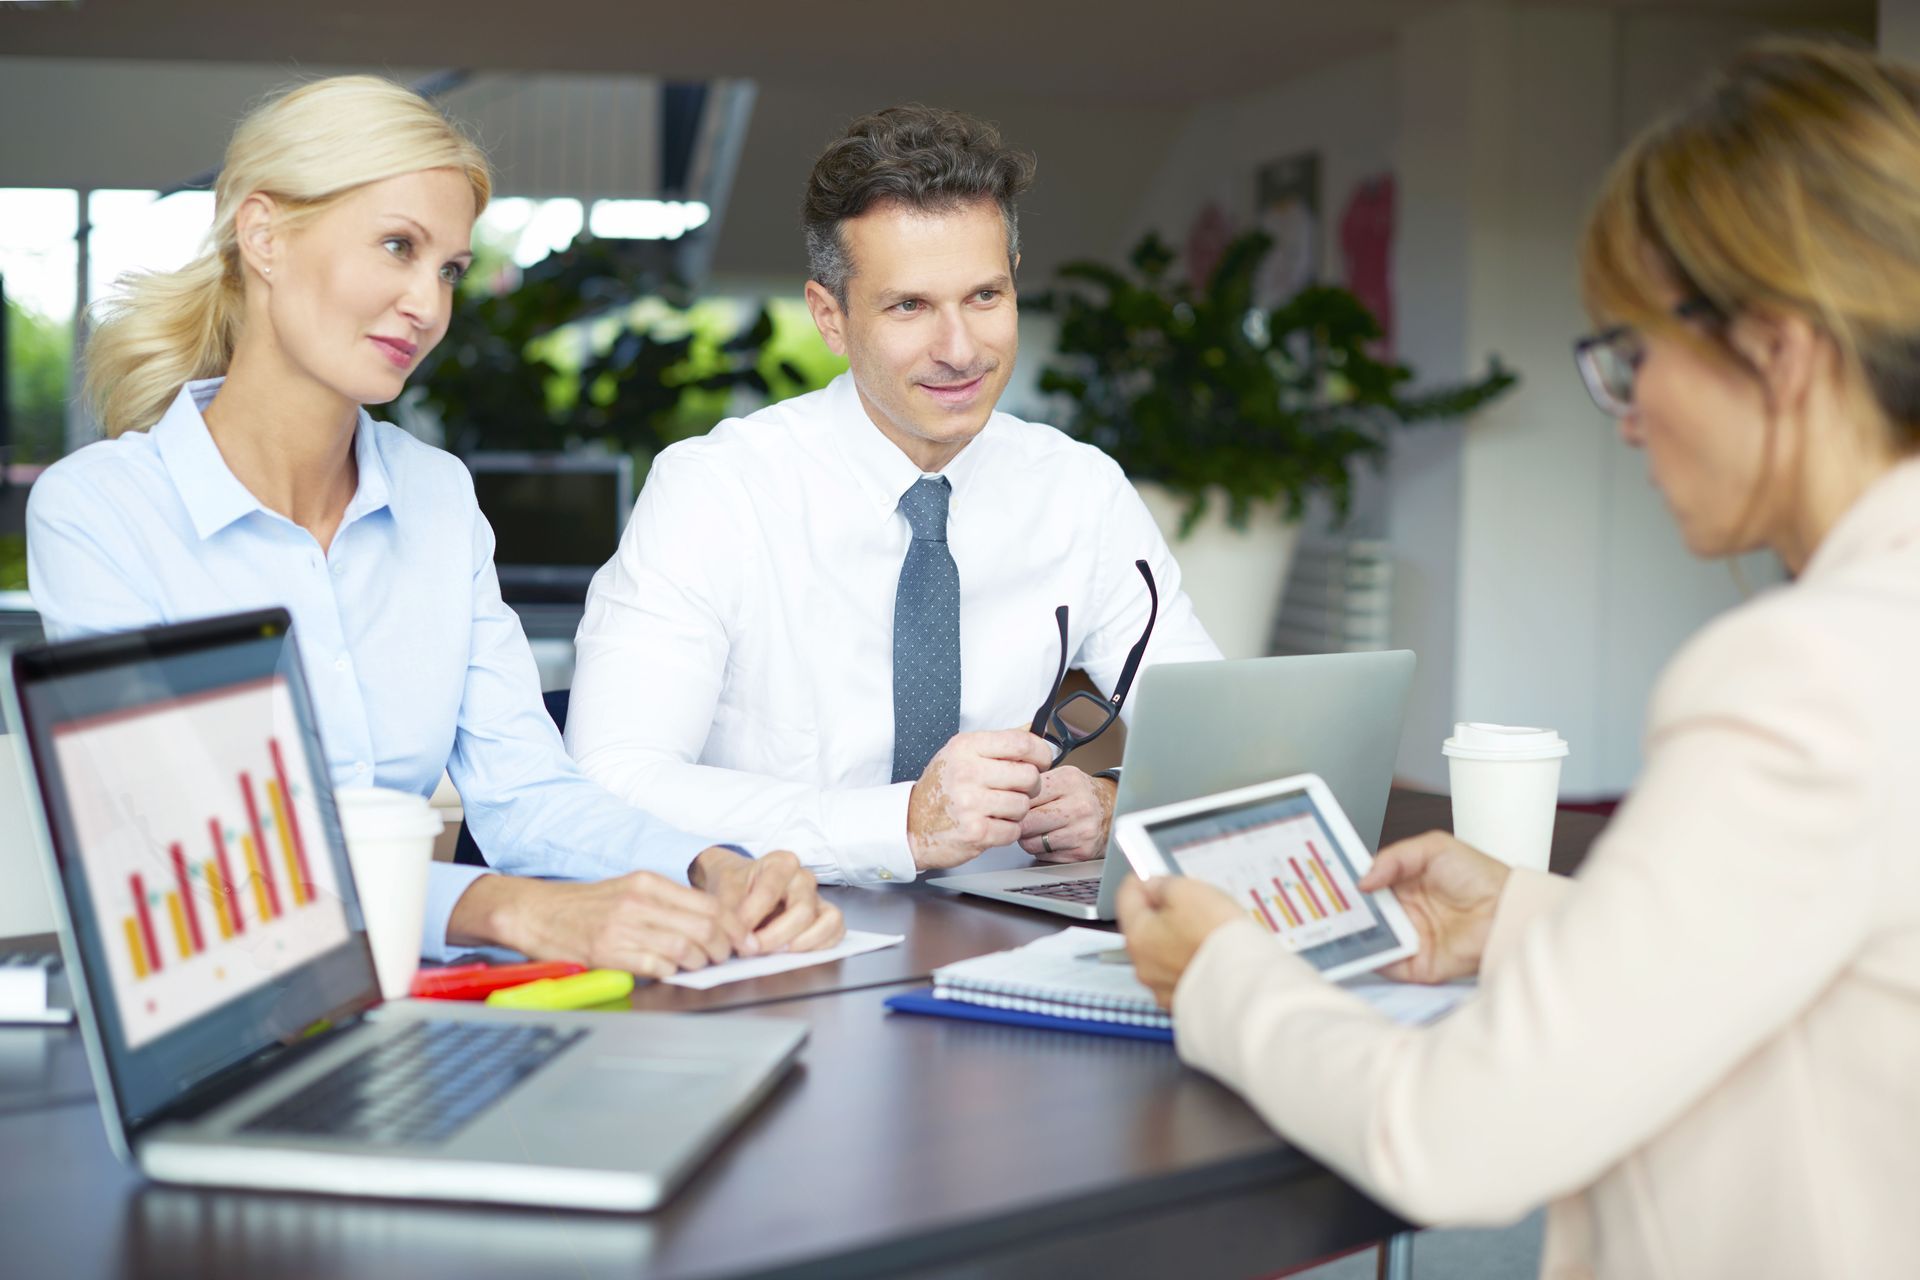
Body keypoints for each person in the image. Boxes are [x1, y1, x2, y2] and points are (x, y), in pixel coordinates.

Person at [1118, 39, 1920, 1278]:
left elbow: (1453, 1135)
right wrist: (1524, 915)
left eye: (1633, 355)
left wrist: (1221, 973)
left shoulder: (1806, 675)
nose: (1629, 412)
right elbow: (1827, 945)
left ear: (1778, 349)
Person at [27, 75, 844, 977]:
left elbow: (526, 791)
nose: (428, 305)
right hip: (214, 1012)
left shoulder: (438, 498)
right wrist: (514, 910)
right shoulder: (100, 513)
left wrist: (711, 867)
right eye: (396, 246)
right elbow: (198, 858)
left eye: (448, 269)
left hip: (407, 1015)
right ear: (262, 235)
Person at [565, 106, 1220, 885]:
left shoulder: (1081, 491)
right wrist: (901, 827)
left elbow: (1217, 737)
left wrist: (1116, 806)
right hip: (783, 930)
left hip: (1008, 929)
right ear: (830, 318)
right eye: (909, 306)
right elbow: (611, 780)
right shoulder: (715, 493)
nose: (960, 350)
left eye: (984, 296)